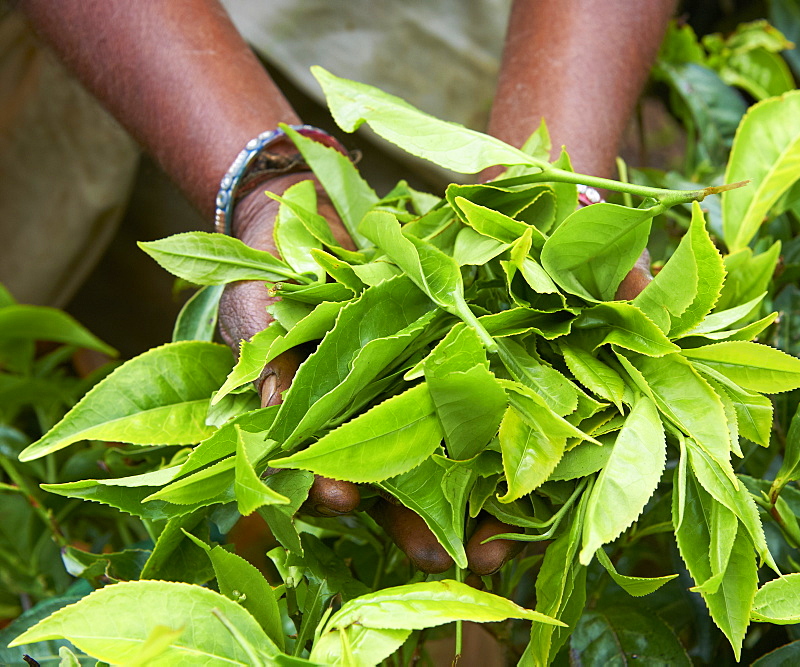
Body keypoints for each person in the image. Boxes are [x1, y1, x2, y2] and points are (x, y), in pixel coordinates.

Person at [16, 0, 675, 575]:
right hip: (124, 53)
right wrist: (264, 190)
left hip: (454, 54)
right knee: (147, 365)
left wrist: (549, 192)